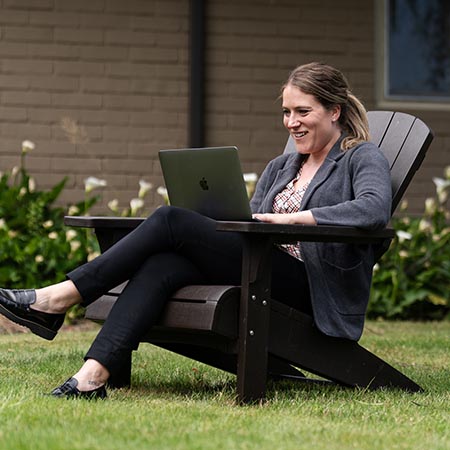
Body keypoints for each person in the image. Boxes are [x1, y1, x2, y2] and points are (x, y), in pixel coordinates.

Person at [0, 62, 392, 399]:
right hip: (261, 268)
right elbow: (250, 221)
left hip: (309, 285)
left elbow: (374, 210)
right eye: (286, 112)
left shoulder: (359, 156)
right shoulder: (281, 166)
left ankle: (57, 298)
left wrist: (295, 219)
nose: (291, 122)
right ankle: (92, 376)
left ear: (334, 111)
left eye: (302, 112)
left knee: (171, 218)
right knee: (163, 264)